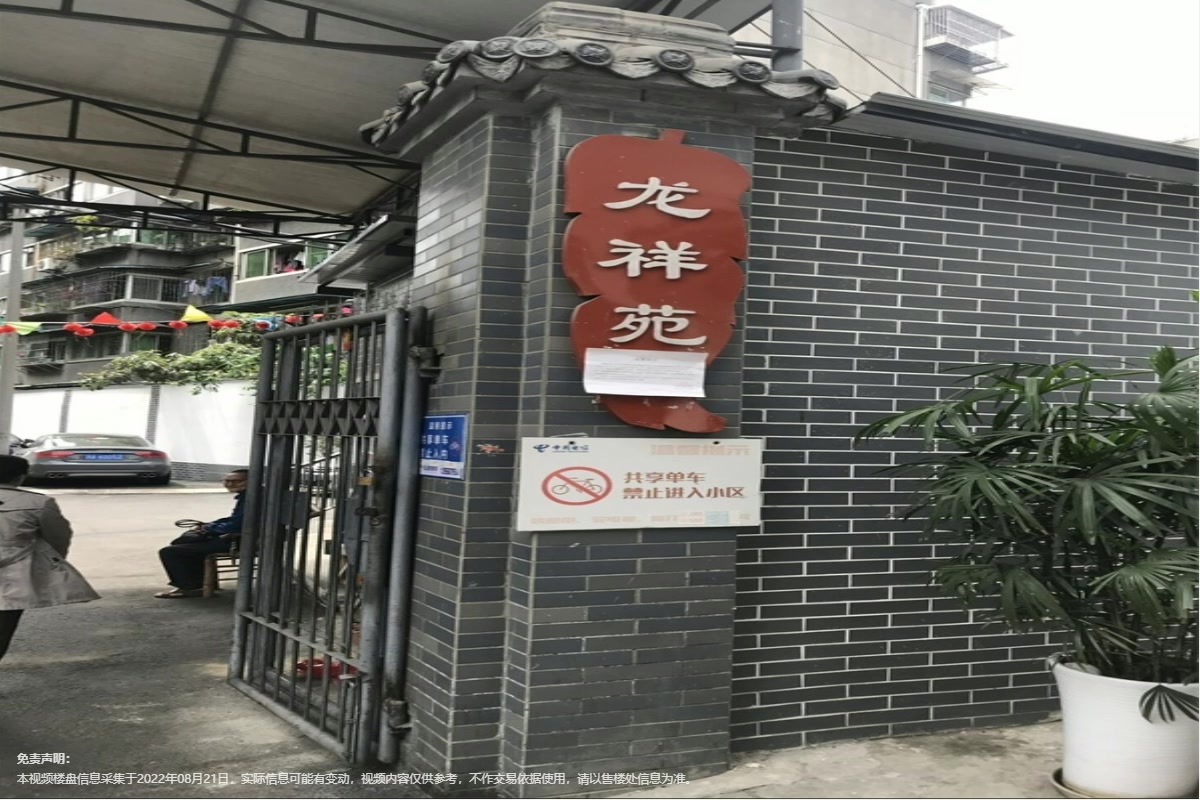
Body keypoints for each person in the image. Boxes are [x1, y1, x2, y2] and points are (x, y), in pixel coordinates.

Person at [0, 454, 99, 663]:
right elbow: (58, 537)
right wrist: (54, 562)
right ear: (20, 477)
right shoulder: (38, 502)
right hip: (15, 574)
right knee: (4, 625)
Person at [155, 469, 247, 599]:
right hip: (238, 535)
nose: (230, 484)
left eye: (236, 481)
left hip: (239, 539)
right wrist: (209, 525)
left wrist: (210, 528)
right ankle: (199, 583)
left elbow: (237, 524)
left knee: (170, 552)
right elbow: (233, 520)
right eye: (227, 481)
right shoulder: (245, 497)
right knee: (185, 542)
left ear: (249, 482)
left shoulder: (251, 499)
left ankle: (190, 588)